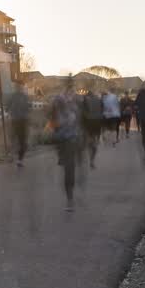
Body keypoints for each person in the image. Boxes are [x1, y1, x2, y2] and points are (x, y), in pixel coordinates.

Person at [49, 79, 82, 211]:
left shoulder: (59, 100)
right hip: (68, 138)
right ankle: (70, 200)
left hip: (66, 139)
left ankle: (70, 200)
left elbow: (51, 118)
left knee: (69, 168)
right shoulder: (74, 101)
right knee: (69, 168)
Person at [7, 81, 32, 167]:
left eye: (20, 86)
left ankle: (18, 159)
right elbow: (7, 107)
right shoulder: (15, 96)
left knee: (20, 140)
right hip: (17, 121)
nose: (19, 88)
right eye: (18, 86)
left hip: (21, 121)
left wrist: (10, 111)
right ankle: (14, 157)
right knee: (16, 139)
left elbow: (7, 107)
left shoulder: (24, 97)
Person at [80, 88, 104, 169]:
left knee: (85, 141)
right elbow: (102, 111)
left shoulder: (84, 100)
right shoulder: (99, 100)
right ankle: (92, 160)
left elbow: (82, 112)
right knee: (94, 142)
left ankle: (83, 157)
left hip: (88, 123)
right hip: (97, 123)